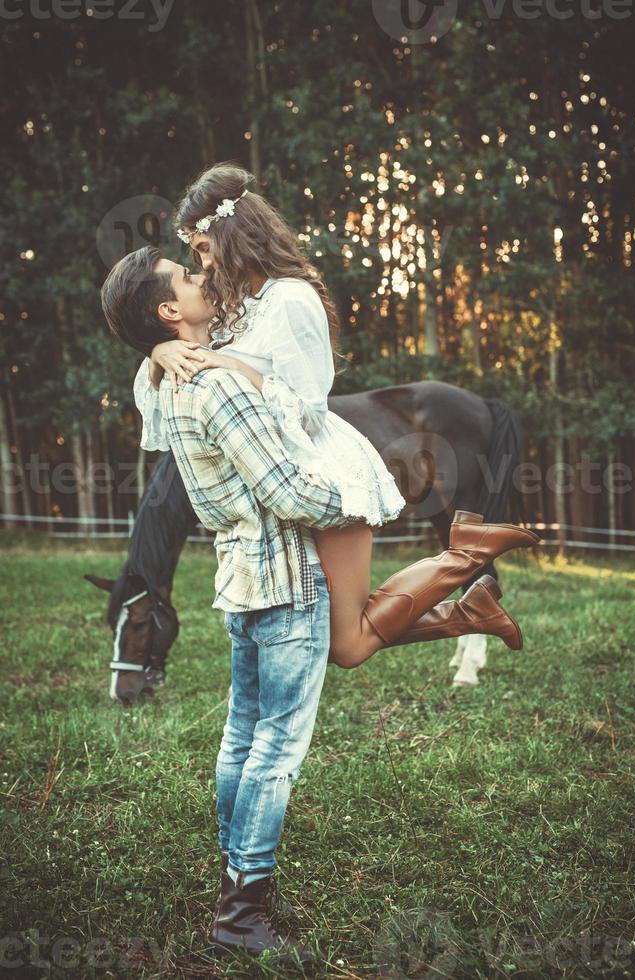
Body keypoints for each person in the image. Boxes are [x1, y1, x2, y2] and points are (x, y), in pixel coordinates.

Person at [101, 243, 538, 964]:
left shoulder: (177, 384)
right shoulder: (220, 388)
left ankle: (235, 880)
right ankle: (241, 913)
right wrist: (366, 498)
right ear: (169, 311)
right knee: (275, 749)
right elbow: (290, 493)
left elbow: (166, 406)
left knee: (243, 739)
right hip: (287, 581)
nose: (203, 273)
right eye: (187, 274)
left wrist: (157, 357)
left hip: (241, 584)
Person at [134, 162, 537, 669]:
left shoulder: (290, 299)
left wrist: (229, 363)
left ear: (228, 236)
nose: (201, 264)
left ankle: (465, 556)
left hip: (323, 472)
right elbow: (181, 376)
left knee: (344, 646)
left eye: (200, 249)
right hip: (285, 481)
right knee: (342, 639)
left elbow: (306, 406)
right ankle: (472, 607)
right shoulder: (235, 304)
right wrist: (157, 354)